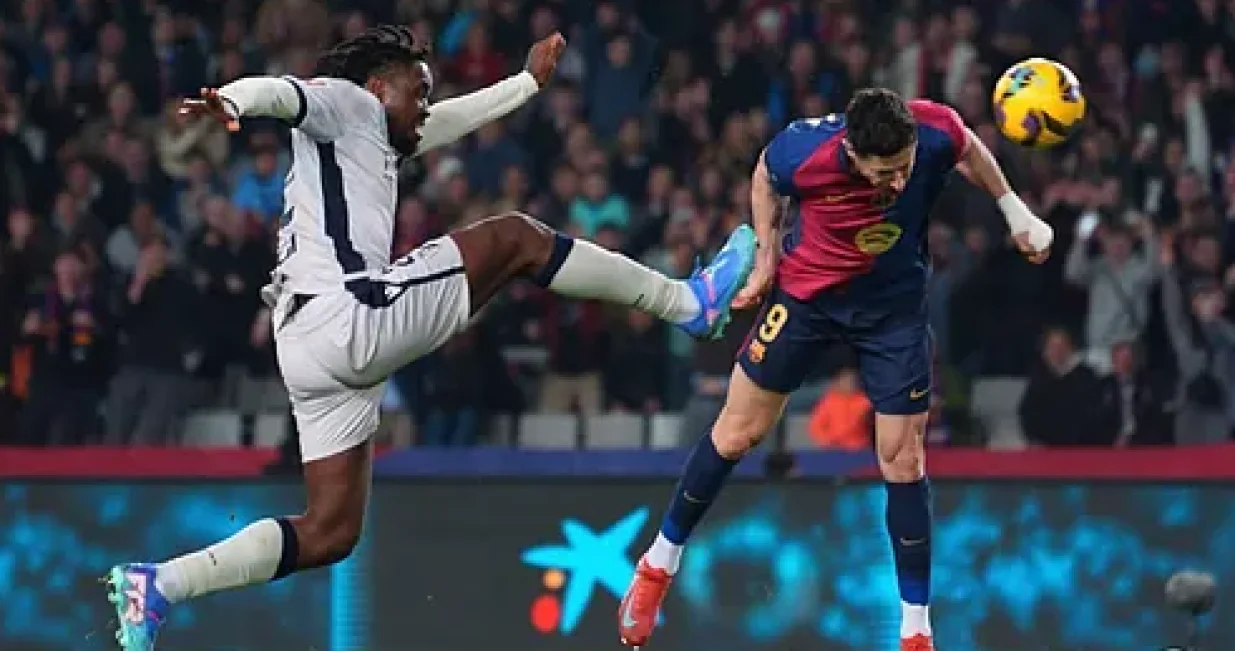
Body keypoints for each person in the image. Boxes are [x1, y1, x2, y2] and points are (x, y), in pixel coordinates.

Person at [104, 26, 757, 651]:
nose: (425, 106)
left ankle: (160, 584)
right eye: (418, 91)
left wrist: (527, 84)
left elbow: (447, 121)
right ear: (378, 87)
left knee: (330, 531)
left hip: (305, 345)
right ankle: (688, 303)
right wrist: (234, 99)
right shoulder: (346, 101)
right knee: (516, 237)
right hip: (346, 315)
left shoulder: (376, 135)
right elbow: (283, 93)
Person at [617, 89, 1052, 651]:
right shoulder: (806, 151)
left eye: (905, 167)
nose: (898, 182)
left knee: (903, 460)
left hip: (893, 312)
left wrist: (1015, 210)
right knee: (737, 432)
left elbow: (968, 148)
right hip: (808, 300)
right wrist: (767, 258)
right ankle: (658, 566)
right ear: (851, 154)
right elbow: (765, 175)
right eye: (884, 174)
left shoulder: (932, 129)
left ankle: (916, 632)